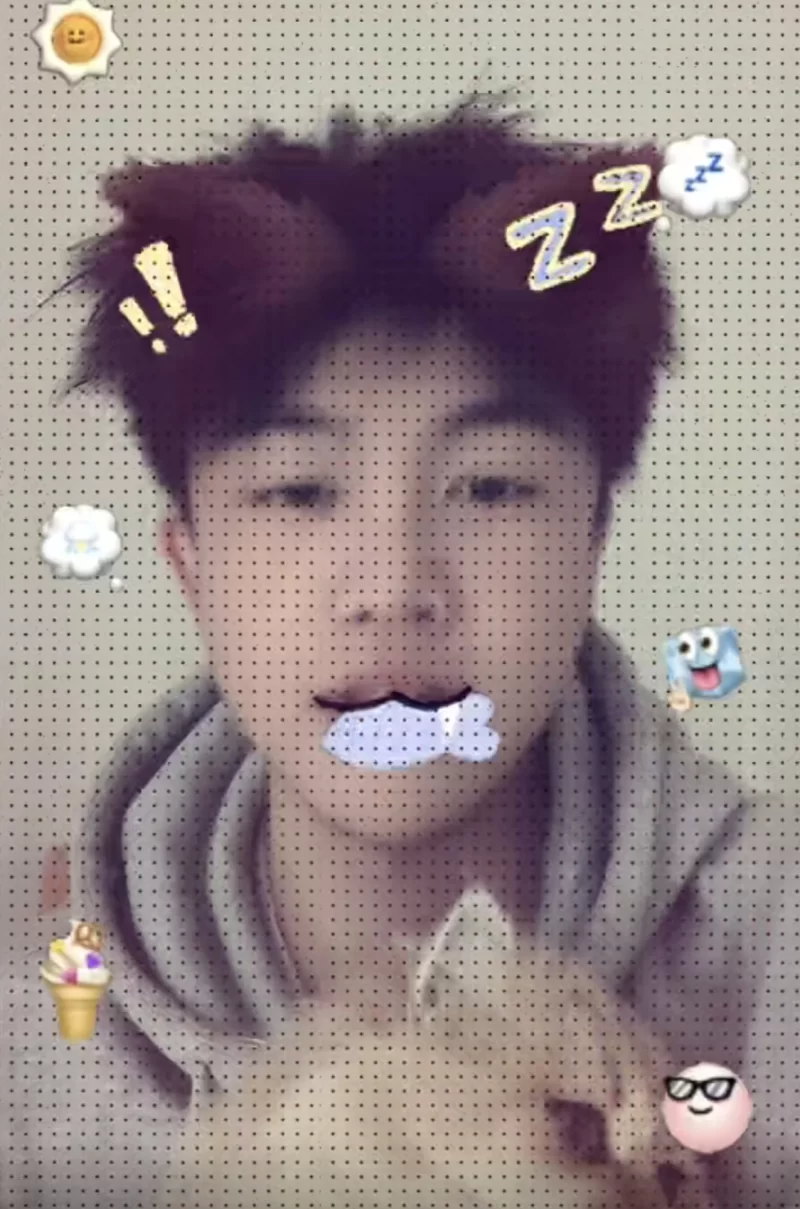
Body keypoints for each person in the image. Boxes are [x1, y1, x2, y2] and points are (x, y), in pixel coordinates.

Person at [1, 97, 797, 1209]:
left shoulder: (776, 952)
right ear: (191, 567)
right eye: (298, 491)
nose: (394, 590)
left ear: (590, 543)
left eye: (490, 487)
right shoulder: (36, 1065)